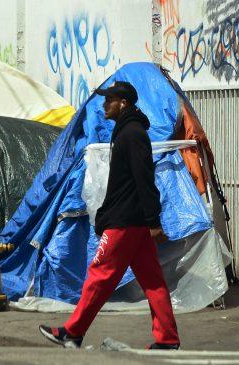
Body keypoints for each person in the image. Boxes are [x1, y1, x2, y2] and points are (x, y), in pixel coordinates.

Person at [39, 81, 180, 350]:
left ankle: (72, 332)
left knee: (99, 275)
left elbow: (144, 179)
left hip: (127, 224)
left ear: (123, 103)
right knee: (153, 282)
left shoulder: (133, 134)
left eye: (109, 100)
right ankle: (168, 340)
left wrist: (154, 221)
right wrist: (106, 213)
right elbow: (122, 183)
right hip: (132, 223)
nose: (104, 105)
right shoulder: (125, 131)